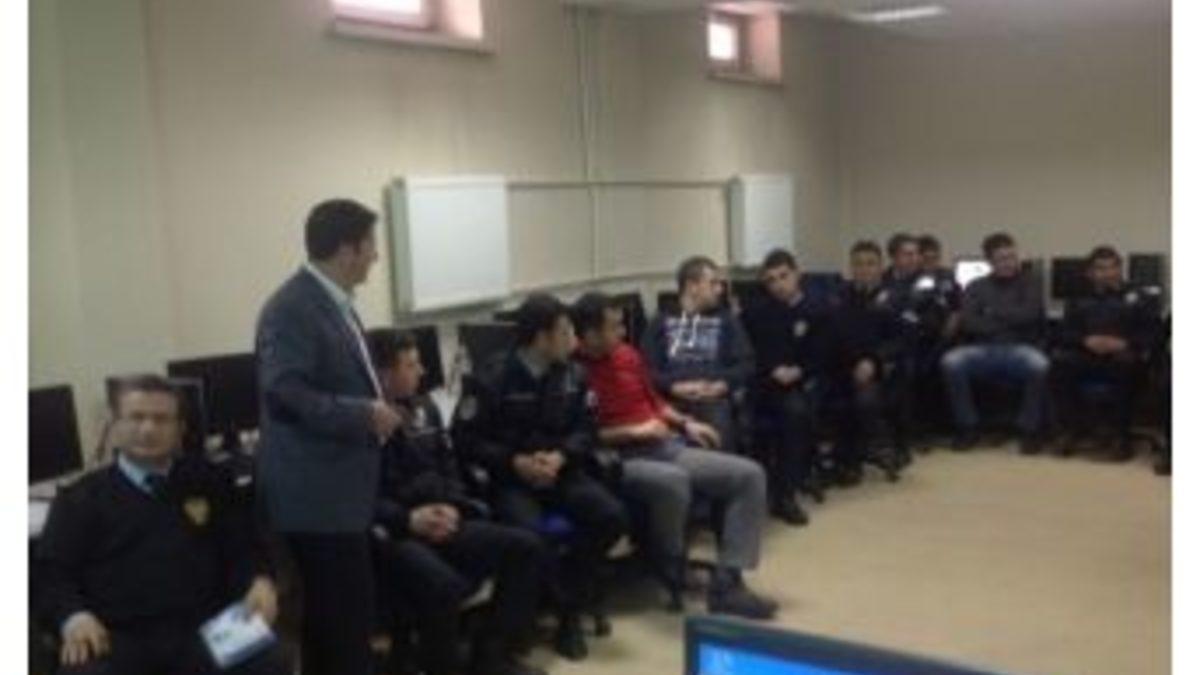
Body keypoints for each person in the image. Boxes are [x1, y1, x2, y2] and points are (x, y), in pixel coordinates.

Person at [37, 375, 291, 675]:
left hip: (208, 629)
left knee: (270, 659)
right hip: (119, 636)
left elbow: (243, 547)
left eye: (161, 419)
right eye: (136, 417)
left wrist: (259, 580)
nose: (148, 429)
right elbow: (52, 574)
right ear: (114, 426)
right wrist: (73, 616)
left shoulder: (211, 481)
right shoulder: (79, 498)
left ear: (180, 429)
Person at [256, 198, 404, 675]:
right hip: (316, 500)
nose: (376, 257)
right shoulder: (291, 308)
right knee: (340, 627)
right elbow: (284, 392)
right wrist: (364, 413)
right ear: (346, 249)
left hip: (343, 494)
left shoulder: (335, 303)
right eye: (371, 246)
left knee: (344, 625)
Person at [574, 292, 778, 620]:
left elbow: (655, 402)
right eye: (614, 327)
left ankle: (728, 581)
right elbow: (582, 438)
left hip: (663, 445)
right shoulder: (574, 372)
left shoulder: (626, 355)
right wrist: (635, 432)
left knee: (749, 475)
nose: (623, 333)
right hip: (619, 458)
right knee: (674, 481)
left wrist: (685, 422)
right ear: (590, 334)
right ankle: (671, 563)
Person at [453, 293, 628, 661]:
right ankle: (551, 613)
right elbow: (466, 440)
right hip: (511, 480)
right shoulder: (491, 378)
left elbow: (587, 430)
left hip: (561, 472)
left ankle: (568, 608)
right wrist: (514, 462)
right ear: (540, 337)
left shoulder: (573, 375)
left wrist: (561, 456)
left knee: (610, 517)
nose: (573, 341)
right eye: (565, 332)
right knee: (531, 539)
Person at [367, 329, 546, 675]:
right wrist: (409, 518)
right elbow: (363, 497)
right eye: (411, 365)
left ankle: (490, 655)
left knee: (525, 548)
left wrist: (453, 505)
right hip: (398, 532)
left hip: (444, 516)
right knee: (447, 587)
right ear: (383, 374)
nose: (422, 371)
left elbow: (449, 465)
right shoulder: (362, 425)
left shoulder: (425, 407)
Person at [741, 249, 831, 522]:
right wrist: (772, 370)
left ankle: (785, 495)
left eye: (783, 276)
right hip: (766, 381)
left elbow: (824, 354)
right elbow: (751, 353)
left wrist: (799, 371)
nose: (778, 285)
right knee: (750, 416)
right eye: (771, 280)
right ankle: (759, 489)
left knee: (795, 412)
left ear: (797, 274)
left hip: (805, 381)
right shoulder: (757, 312)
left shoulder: (818, 310)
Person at [940, 232, 1049, 453]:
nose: (1009, 263)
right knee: (950, 362)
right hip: (982, 349)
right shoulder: (975, 286)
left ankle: (1028, 430)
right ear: (990, 261)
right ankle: (968, 426)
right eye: (1002, 259)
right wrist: (1009, 319)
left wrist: (990, 312)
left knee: (1041, 365)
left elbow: (1029, 315)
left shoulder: (1031, 282)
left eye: (1012, 257)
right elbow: (970, 322)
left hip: (1020, 349)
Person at [1055, 246, 1161, 461]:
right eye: (1101, 268)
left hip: (1124, 356)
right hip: (1087, 354)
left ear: (1121, 269)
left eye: (1113, 267)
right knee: (1059, 364)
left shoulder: (1140, 297)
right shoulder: (1077, 299)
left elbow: (1153, 334)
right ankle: (1071, 429)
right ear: (1090, 273)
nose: (1108, 273)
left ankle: (1121, 437)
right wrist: (1085, 340)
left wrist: (1124, 343)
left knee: (1125, 366)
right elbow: (1065, 332)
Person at [641, 256, 755, 449]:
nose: (720, 289)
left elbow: (746, 364)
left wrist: (723, 385)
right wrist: (672, 387)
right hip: (671, 401)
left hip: (713, 398)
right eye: (713, 283)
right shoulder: (660, 322)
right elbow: (644, 370)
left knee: (718, 422)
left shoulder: (727, 321)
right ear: (692, 286)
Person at [826, 241, 907, 485]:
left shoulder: (895, 297)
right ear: (851, 267)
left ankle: (873, 448)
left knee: (865, 397)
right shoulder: (839, 297)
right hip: (842, 367)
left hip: (881, 369)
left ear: (881, 267)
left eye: (870, 264)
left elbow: (902, 340)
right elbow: (831, 336)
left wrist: (873, 361)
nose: (864, 269)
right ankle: (846, 457)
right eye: (858, 264)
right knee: (829, 396)